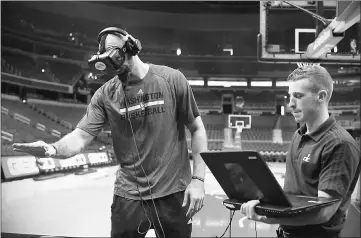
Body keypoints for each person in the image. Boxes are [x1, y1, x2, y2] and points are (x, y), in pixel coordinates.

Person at [13, 27, 208, 238]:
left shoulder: (172, 79)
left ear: (130, 48)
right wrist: (52, 149)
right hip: (128, 196)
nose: (112, 65)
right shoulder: (104, 95)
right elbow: (80, 137)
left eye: (114, 55)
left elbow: (197, 129)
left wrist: (198, 180)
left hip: (173, 193)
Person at [239, 65, 360, 238]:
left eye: (298, 96)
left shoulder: (340, 144)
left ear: (321, 97)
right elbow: (294, 193)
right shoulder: (298, 135)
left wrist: (270, 218)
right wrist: (265, 200)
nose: (290, 103)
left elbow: (324, 213)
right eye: (290, 96)